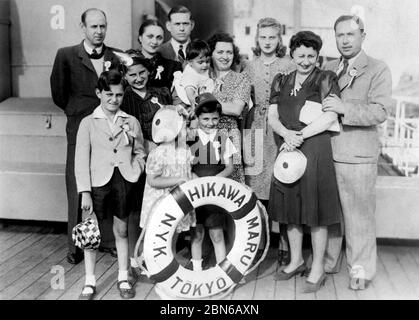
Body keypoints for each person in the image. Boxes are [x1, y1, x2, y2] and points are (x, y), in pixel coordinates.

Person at [268, 31, 341, 293]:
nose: (306, 60)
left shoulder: (325, 79)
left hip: (314, 150)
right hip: (287, 148)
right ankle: (296, 260)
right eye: (301, 55)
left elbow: (330, 116)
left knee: (316, 211)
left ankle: (318, 267)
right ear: (292, 55)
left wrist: (300, 135)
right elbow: (272, 116)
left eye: (311, 56)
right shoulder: (281, 80)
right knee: (290, 210)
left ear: (317, 56)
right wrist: (287, 134)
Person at [322, 15, 392, 290]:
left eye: (350, 35)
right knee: (331, 214)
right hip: (328, 152)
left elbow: (380, 111)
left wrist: (344, 109)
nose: (345, 40)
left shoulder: (377, 69)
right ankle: (330, 261)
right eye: (340, 35)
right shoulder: (328, 68)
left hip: (358, 156)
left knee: (359, 216)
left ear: (363, 35)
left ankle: (360, 269)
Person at [50, 8, 120, 265]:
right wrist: (77, 112)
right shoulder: (66, 55)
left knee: (110, 183)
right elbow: (59, 93)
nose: (99, 31)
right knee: (78, 188)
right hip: (79, 129)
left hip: (110, 130)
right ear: (83, 27)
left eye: (103, 26)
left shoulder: (115, 56)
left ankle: (108, 241)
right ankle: (75, 246)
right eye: (93, 27)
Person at [74, 70, 146, 300]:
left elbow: (140, 151)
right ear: (99, 93)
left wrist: (137, 169)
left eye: (118, 95)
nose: (114, 100)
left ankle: (123, 277)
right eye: (108, 94)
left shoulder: (131, 121)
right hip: (97, 183)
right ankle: (90, 281)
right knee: (91, 233)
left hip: (123, 180)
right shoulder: (87, 123)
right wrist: (85, 191)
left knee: (122, 230)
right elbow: (80, 160)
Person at [243, 17, 295, 267]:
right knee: (256, 188)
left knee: (282, 186)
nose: (267, 42)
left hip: (279, 129)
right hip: (255, 130)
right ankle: (259, 243)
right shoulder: (248, 66)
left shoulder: (289, 64)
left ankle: (284, 243)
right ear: (257, 39)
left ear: (279, 39)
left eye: (272, 37)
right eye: (263, 37)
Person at [188, 93, 236, 271]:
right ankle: (197, 272)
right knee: (197, 234)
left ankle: (222, 271)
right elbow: (186, 167)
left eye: (214, 119)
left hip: (215, 193)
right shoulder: (190, 138)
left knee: (217, 234)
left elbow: (229, 167)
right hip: (195, 193)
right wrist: (197, 182)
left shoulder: (223, 138)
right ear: (197, 117)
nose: (210, 123)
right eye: (205, 118)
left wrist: (214, 181)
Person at [140, 109, 195, 236]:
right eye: (184, 127)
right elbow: (152, 180)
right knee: (159, 238)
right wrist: (178, 180)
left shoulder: (185, 150)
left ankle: (172, 255)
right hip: (160, 202)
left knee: (174, 235)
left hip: (178, 201)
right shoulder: (158, 154)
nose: (188, 130)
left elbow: (188, 173)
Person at [207, 32, 251, 184]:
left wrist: (204, 103)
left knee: (231, 185)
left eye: (229, 52)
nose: (225, 56)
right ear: (211, 53)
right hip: (203, 136)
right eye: (220, 52)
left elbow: (235, 109)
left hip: (229, 135)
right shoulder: (203, 77)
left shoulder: (241, 79)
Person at [136, 19, 182, 91]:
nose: (154, 42)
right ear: (140, 38)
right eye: (150, 36)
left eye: (159, 38)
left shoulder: (172, 67)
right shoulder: (128, 63)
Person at [172, 39, 211, 117]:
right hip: (184, 98)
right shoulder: (190, 73)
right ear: (190, 62)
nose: (205, 65)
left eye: (207, 61)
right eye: (200, 62)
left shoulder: (201, 70)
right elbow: (189, 91)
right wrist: (194, 106)